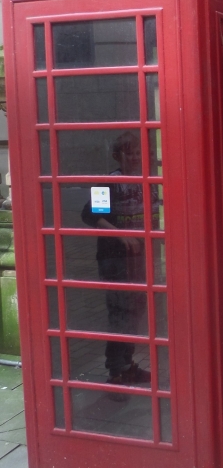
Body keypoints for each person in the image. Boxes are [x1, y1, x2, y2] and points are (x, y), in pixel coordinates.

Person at [81, 131, 152, 389]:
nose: (135, 157)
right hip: (114, 259)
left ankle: (127, 363)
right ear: (116, 156)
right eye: (129, 152)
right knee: (120, 314)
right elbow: (90, 215)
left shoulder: (146, 180)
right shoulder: (110, 183)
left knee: (135, 311)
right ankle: (115, 372)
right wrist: (121, 235)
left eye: (139, 152)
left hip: (139, 258)